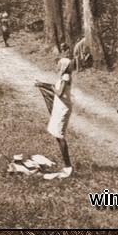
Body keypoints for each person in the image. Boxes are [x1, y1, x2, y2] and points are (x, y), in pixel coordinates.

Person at [35, 45, 73, 177]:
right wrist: (42, 84)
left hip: (63, 108)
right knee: (57, 134)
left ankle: (68, 166)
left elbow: (59, 92)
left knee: (60, 135)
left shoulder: (66, 77)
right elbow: (56, 88)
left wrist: (49, 86)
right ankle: (67, 164)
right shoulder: (63, 76)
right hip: (60, 106)